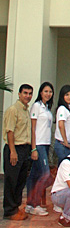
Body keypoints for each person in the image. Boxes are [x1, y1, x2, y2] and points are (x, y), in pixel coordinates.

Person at [3, 84, 33, 220]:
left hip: (24, 149)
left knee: (21, 180)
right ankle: (9, 211)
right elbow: (10, 131)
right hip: (14, 148)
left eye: (30, 93)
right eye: (25, 93)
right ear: (19, 94)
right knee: (11, 180)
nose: (27, 96)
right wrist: (12, 151)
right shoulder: (13, 110)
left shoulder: (26, 110)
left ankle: (16, 207)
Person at [26, 82, 54, 217]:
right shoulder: (36, 106)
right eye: (46, 91)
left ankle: (30, 204)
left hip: (46, 144)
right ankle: (36, 204)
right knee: (45, 174)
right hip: (39, 144)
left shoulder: (47, 108)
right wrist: (33, 148)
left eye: (50, 91)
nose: (48, 94)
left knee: (34, 175)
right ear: (41, 92)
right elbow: (32, 128)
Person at [54, 85, 70, 165]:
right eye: (67, 95)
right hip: (62, 144)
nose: (69, 97)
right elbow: (61, 125)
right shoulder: (62, 109)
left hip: (69, 144)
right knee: (64, 168)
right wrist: (65, 141)